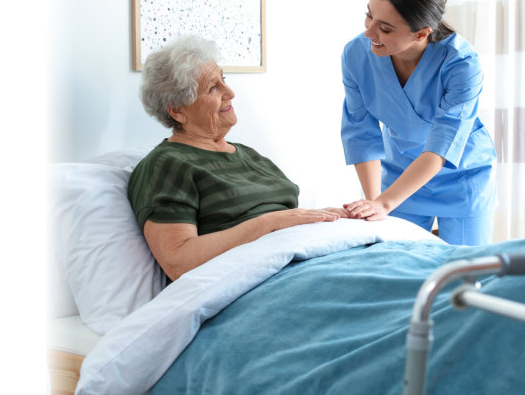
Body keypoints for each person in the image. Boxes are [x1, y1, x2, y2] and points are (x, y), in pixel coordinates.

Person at [127, 34, 357, 280]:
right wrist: (271, 223)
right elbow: (179, 262)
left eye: (223, 80)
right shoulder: (167, 165)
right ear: (177, 110)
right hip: (265, 280)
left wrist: (329, 218)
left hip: (308, 260)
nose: (230, 92)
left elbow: (286, 218)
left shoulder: (249, 156)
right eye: (213, 88)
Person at [340, 0, 496, 245]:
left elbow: (442, 144)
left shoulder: (462, 63)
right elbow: (360, 132)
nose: (369, 32)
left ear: (421, 33)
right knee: (396, 266)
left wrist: (385, 203)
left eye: (385, 28)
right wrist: (375, 202)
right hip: (400, 174)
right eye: (369, 15)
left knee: (465, 272)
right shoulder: (356, 55)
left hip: (463, 178)